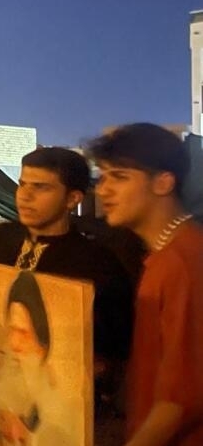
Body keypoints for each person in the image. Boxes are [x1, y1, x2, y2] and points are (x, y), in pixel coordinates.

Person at [0, 147, 134, 422]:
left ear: (72, 198)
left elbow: (119, 341)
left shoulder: (96, 263)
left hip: (60, 411)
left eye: (41, 187)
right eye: (22, 184)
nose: (25, 196)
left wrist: (100, 365)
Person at [88, 123, 203, 446]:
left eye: (119, 177)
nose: (102, 189)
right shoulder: (164, 255)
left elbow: (181, 400)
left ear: (163, 182)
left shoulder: (185, 261)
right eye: (103, 176)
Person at [0, 272, 72, 445]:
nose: (14, 343)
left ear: (43, 344)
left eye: (24, 333)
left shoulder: (58, 412)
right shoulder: (8, 382)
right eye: (11, 330)